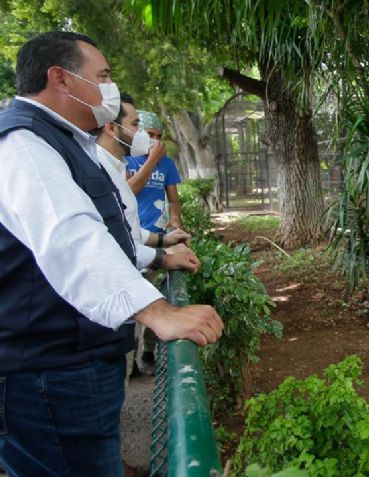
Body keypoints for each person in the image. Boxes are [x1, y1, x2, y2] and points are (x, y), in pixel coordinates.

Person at [0, 32, 223, 477]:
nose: (109, 88)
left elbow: (114, 232)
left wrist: (158, 257)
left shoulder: (62, 140)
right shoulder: (23, 144)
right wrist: (157, 310)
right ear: (60, 78)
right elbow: (71, 235)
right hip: (48, 374)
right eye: (102, 76)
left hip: (69, 362)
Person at [94, 93, 201, 382]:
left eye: (152, 132)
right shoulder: (109, 167)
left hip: (147, 242)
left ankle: (143, 356)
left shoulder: (117, 165)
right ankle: (130, 365)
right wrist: (152, 160)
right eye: (138, 126)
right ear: (111, 128)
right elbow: (117, 234)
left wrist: (166, 239)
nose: (146, 136)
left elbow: (127, 233)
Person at [126, 110, 182, 234]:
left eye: (158, 136)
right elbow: (127, 191)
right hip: (131, 231)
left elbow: (173, 201)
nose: (155, 139)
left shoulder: (166, 163)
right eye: (150, 134)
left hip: (159, 232)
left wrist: (175, 217)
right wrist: (153, 159)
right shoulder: (126, 159)